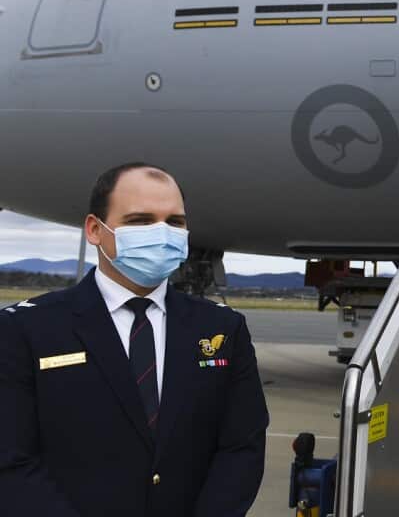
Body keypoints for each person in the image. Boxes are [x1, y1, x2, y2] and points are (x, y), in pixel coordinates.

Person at [0, 163, 269, 517]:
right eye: (141, 220)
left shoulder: (222, 329)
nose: (161, 233)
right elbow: (12, 461)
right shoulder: (26, 329)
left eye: (174, 222)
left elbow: (242, 448)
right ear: (95, 230)